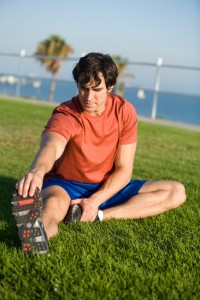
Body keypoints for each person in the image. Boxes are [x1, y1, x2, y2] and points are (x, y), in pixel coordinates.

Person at [16, 52, 186, 244]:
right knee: (51, 208)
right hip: (66, 185)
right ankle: (36, 237)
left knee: (176, 191)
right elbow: (52, 145)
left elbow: (124, 169)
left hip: (107, 187)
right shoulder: (67, 114)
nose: (89, 97)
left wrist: (95, 201)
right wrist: (38, 172)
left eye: (96, 89)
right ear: (78, 85)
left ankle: (98, 215)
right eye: (83, 88)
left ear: (110, 88)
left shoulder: (124, 111)